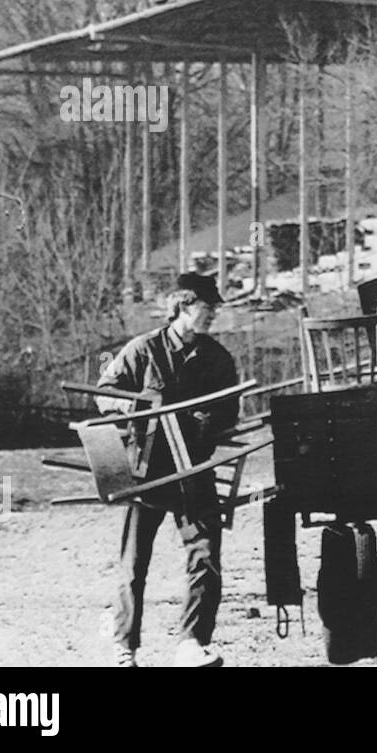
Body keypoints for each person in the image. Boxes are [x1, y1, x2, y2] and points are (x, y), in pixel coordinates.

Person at [96, 272, 239, 667]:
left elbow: (230, 409)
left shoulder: (216, 358)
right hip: (149, 471)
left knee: (205, 555)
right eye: (206, 308)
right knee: (134, 563)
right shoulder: (143, 349)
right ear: (183, 306)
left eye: (214, 309)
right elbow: (104, 393)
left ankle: (191, 643)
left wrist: (204, 421)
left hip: (194, 471)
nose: (212, 315)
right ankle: (125, 647)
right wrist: (130, 405)